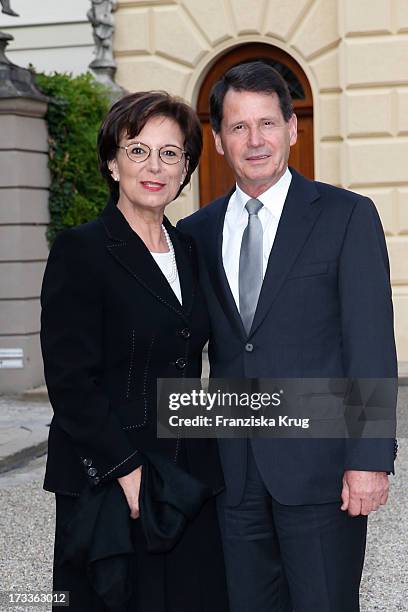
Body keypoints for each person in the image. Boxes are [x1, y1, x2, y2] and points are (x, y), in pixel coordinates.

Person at [178, 61, 398, 612]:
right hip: (232, 477)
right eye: (238, 127)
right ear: (219, 140)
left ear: (293, 129)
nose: (255, 141)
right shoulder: (194, 233)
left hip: (321, 471)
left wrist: (370, 458)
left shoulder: (347, 216)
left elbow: (370, 342)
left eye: (268, 124)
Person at [40, 91, 228, 612]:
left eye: (171, 153)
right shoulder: (82, 249)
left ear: (186, 168)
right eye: (138, 149)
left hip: (186, 473)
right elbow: (70, 380)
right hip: (109, 475)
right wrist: (126, 471)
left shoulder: (190, 249)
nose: (154, 166)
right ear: (112, 160)